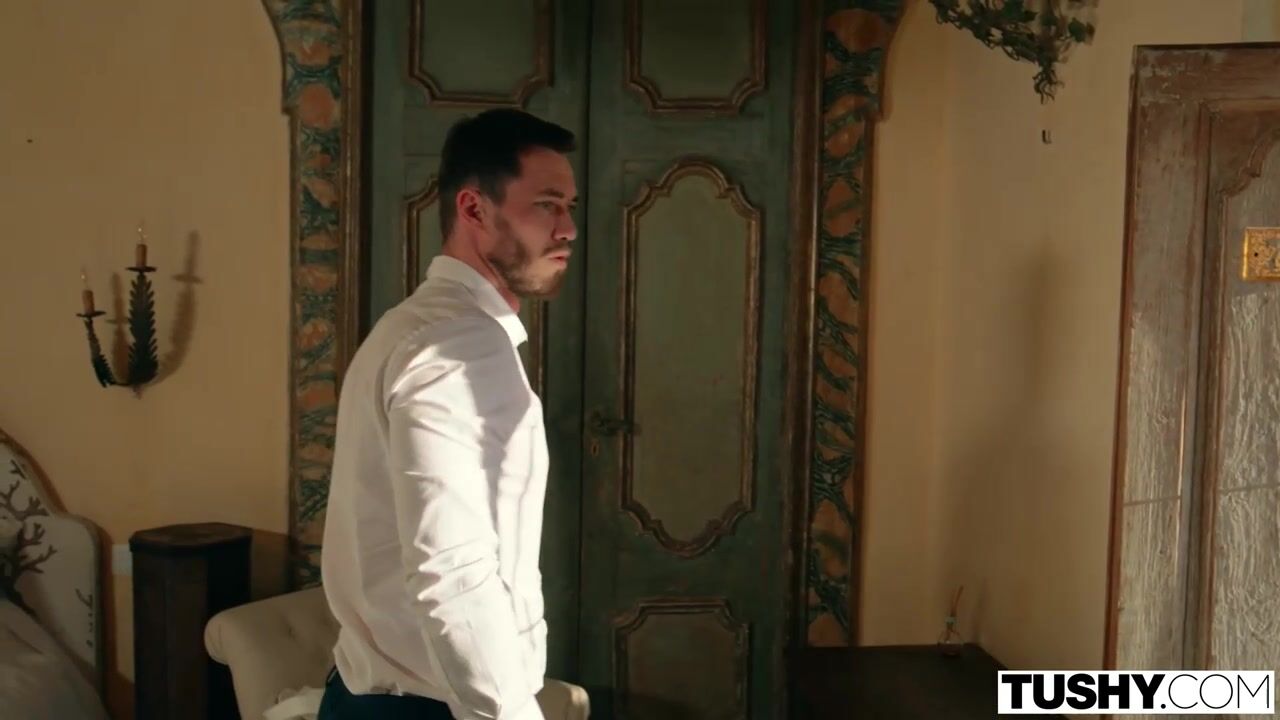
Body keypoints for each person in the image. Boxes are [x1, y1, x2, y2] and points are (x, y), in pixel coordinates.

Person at [318, 108, 578, 720]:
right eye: (546, 205)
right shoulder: (457, 344)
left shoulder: (412, 327)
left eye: (569, 207)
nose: (568, 228)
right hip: (426, 708)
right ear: (474, 209)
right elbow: (453, 572)